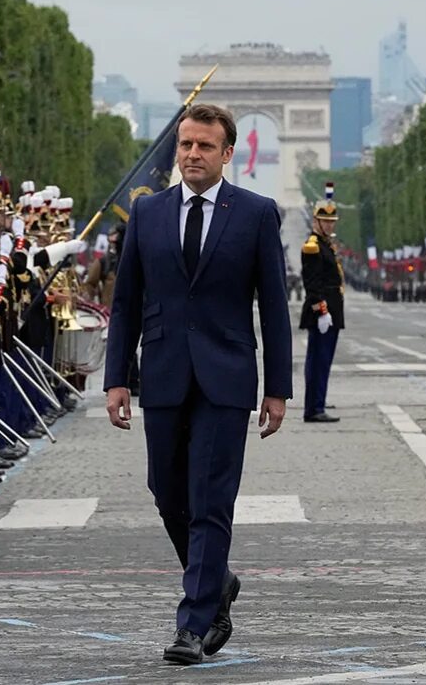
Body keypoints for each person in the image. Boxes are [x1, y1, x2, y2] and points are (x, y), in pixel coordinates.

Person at [104, 103, 292, 665]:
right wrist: (116, 378)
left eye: (205, 146)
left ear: (227, 153)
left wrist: (277, 388)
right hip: (161, 371)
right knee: (166, 492)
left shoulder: (257, 213)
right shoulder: (147, 213)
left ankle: (194, 621)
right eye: (186, 144)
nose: (192, 154)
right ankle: (218, 580)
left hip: (226, 377)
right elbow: (126, 302)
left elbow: (276, 308)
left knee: (211, 500)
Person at [300, 183, 344, 423]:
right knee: (318, 361)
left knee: (322, 361)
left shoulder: (324, 244)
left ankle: (318, 400)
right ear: (316, 222)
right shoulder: (313, 246)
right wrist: (322, 311)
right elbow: (313, 284)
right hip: (322, 313)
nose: (330, 225)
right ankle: (314, 408)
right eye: (326, 222)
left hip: (329, 312)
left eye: (332, 222)